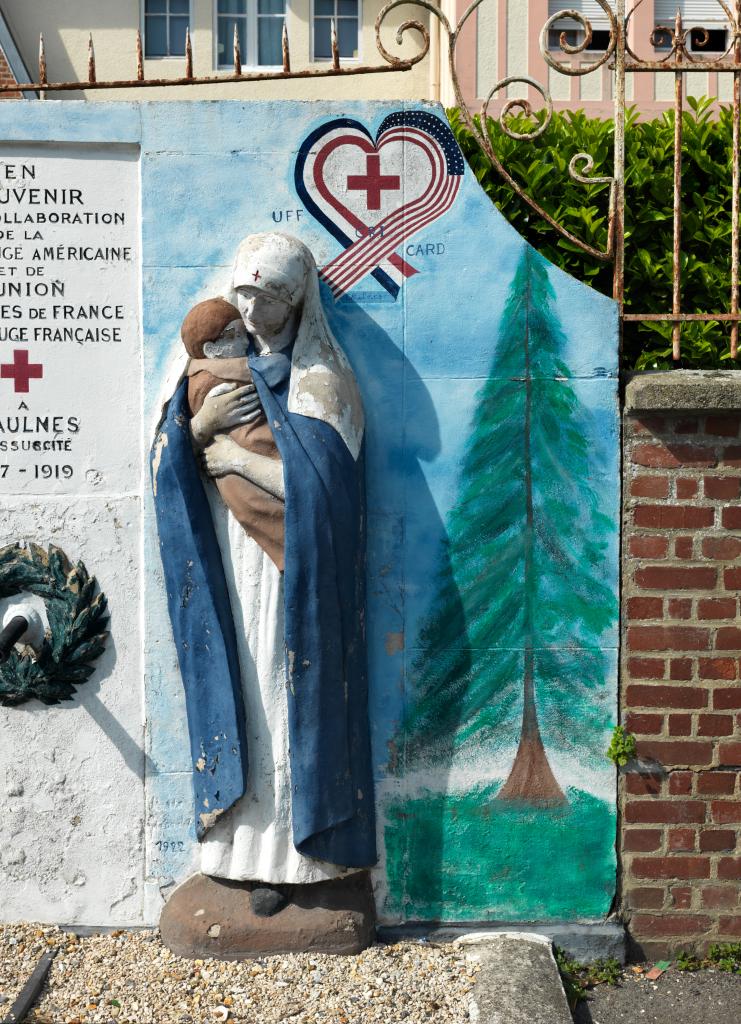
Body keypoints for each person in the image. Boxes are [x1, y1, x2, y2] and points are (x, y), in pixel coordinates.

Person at [152, 233, 376, 920]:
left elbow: (324, 496)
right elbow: (169, 462)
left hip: (294, 571)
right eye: (244, 297)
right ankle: (233, 855)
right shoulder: (211, 370)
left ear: (298, 301)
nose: (253, 314)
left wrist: (234, 458)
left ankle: (298, 858)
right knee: (242, 687)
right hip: (229, 558)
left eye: (269, 301)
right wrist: (199, 431)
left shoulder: (320, 382)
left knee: (289, 695)